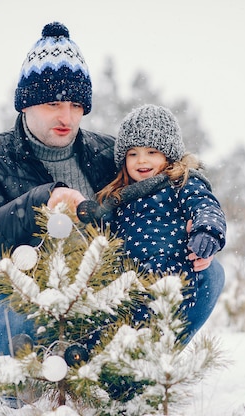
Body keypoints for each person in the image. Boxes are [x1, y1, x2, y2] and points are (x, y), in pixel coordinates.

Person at [0, 22, 222, 359]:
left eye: (76, 104)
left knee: (209, 274)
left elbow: (171, 179)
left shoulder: (108, 153)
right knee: (18, 334)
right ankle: (25, 390)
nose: (67, 116)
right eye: (53, 103)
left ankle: (140, 375)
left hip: (106, 299)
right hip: (22, 300)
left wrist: (196, 226)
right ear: (26, 103)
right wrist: (44, 199)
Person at [85, 104, 226, 344]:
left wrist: (206, 232)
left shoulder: (181, 183)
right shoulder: (120, 196)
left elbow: (205, 206)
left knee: (150, 333)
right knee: (111, 331)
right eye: (133, 153)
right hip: (128, 280)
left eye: (152, 152)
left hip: (171, 274)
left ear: (169, 155)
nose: (142, 160)